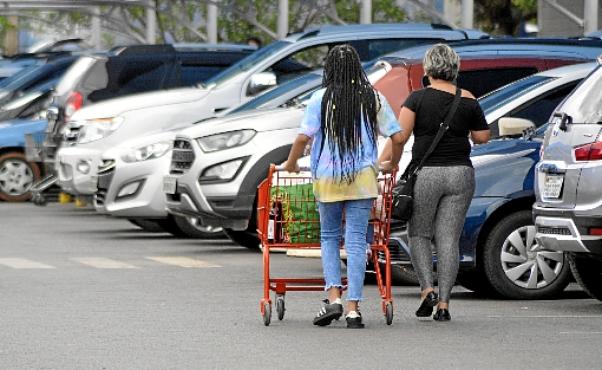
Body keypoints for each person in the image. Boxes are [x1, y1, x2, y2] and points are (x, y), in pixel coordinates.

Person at [283, 44, 403, 329]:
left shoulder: (319, 99)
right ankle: (353, 309)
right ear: (357, 68)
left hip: (327, 178)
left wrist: (290, 164)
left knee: (329, 237)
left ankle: (334, 298)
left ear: (329, 68)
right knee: (357, 242)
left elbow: (302, 139)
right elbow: (397, 138)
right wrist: (390, 163)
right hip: (362, 179)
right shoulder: (372, 97)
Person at [393, 44, 490, 321]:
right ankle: (445, 303)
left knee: (420, 233)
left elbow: (400, 134)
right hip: (461, 173)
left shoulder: (417, 99)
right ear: (454, 68)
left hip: (427, 174)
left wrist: (389, 162)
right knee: (448, 237)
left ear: (428, 69)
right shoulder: (468, 99)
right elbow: (482, 137)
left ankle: (426, 290)